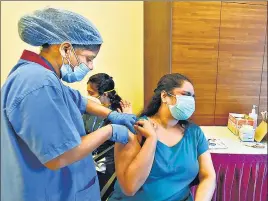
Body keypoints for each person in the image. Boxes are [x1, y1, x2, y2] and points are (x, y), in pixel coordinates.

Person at [1, 7, 137, 201]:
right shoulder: (37, 83)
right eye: (88, 58)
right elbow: (59, 156)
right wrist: (110, 130)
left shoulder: (44, 76)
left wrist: (111, 114)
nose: (91, 67)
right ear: (66, 48)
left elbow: (78, 99)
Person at [109, 73, 216, 201]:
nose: (191, 101)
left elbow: (208, 175)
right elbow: (129, 187)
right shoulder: (135, 128)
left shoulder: (194, 133)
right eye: (186, 95)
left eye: (193, 97)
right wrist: (151, 139)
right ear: (164, 96)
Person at [83, 73, 133, 198]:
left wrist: (128, 118)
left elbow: (130, 140)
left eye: (91, 93)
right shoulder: (88, 110)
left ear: (105, 94)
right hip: (87, 162)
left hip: (108, 167)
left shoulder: (119, 112)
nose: (88, 97)